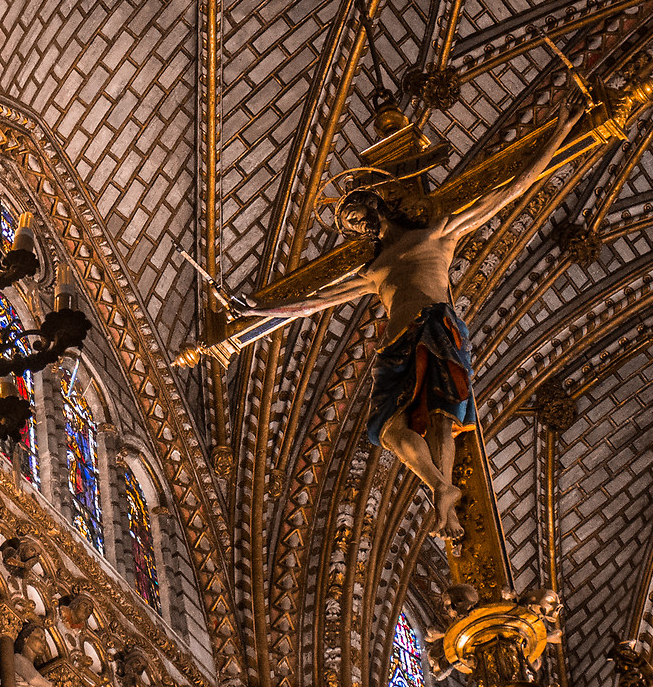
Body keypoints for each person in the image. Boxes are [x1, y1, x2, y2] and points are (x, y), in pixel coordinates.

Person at [229, 105, 583, 539]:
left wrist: (558, 133)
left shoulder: (434, 233)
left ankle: (443, 494)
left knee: (441, 417)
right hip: (395, 348)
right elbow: (310, 304)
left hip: (434, 327)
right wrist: (253, 311)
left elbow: (508, 191)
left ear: (376, 204)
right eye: (347, 224)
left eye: (355, 213)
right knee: (391, 431)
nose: (353, 224)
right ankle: (441, 487)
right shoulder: (371, 271)